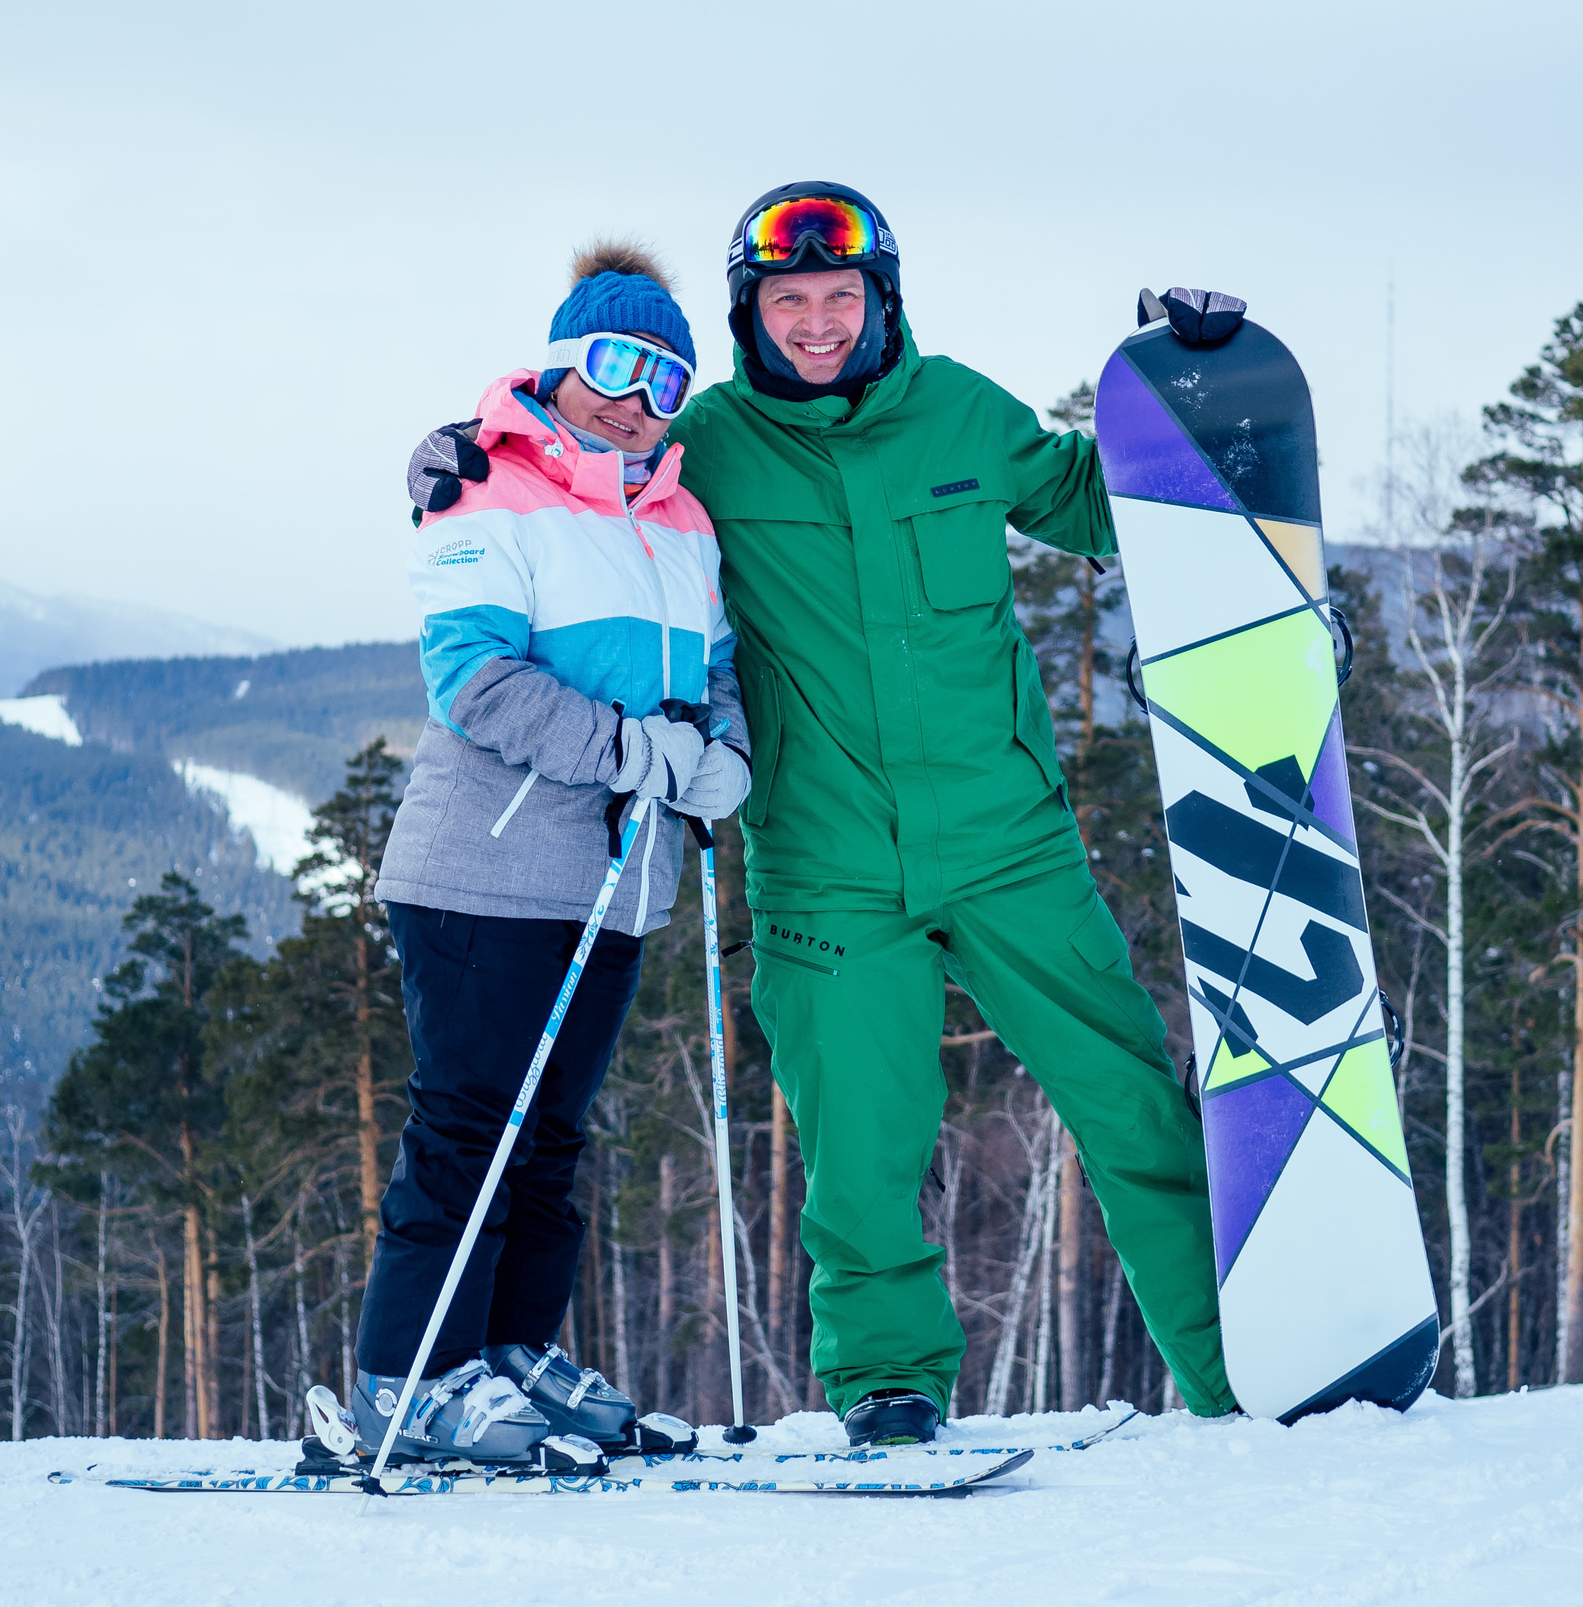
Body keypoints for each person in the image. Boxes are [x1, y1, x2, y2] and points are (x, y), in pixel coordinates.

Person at [419, 185, 1240, 1447]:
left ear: (880, 301)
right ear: (751, 315)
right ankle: (889, 1383)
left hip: (1008, 840)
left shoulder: (962, 410)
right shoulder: (710, 446)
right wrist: (448, 453)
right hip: (825, 866)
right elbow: (565, 469)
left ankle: (1235, 1370)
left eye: (838, 297)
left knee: (1131, 1104)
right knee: (859, 1157)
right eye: (787, 300)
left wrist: (1196, 394)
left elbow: (1097, 503)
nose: (814, 322)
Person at [356, 241, 750, 1465]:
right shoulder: (493, 490)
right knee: (469, 1129)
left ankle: (512, 1352)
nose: (634, 399)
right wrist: (641, 751)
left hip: (617, 886)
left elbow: (719, 673)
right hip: (485, 872)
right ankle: (412, 1381)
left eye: (664, 380)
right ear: (564, 360)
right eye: (614, 365)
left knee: (554, 1142)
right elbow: (475, 684)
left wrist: (718, 759)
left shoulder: (679, 519)